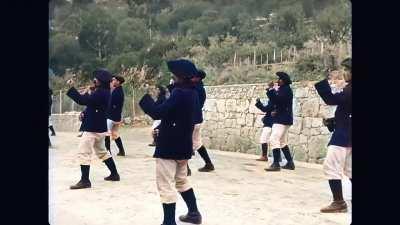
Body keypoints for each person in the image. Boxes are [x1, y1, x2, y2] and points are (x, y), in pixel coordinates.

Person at [139, 59, 203, 225]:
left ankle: (169, 222)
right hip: (184, 144)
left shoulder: (179, 93)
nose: (172, 77)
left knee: (165, 184)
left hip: (169, 145)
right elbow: (176, 115)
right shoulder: (193, 93)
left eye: (174, 75)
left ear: (180, 76)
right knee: (182, 181)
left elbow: (158, 112)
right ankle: (194, 213)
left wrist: (146, 100)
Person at [66, 69, 121, 190]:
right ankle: (114, 174)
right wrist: (85, 112)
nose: (93, 80)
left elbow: (82, 101)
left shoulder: (100, 92)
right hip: (99, 127)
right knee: (102, 152)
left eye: (95, 79)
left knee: (83, 152)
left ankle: (85, 180)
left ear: (100, 81)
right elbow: (92, 105)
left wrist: (71, 88)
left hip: (92, 128)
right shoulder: (104, 92)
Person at [315, 58, 352, 213]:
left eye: (346, 70)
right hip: (348, 133)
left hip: (344, 136)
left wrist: (323, 82)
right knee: (350, 169)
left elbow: (331, 99)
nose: (344, 73)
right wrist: (334, 120)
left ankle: (338, 202)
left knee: (330, 166)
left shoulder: (350, 89)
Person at [265, 72, 295, 172]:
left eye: (279, 79)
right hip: (284, 118)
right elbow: (280, 103)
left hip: (282, 119)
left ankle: (276, 163)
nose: (277, 81)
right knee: (282, 141)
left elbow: (277, 100)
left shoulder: (285, 90)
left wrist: (270, 89)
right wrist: (276, 110)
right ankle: (290, 163)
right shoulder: (285, 89)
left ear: (283, 81)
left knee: (274, 139)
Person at [190, 69, 215, 173]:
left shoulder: (195, 89)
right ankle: (209, 164)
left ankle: (185, 169)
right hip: (196, 118)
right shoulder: (199, 88)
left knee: (184, 142)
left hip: (192, 119)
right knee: (196, 143)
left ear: (197, 78)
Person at [105, 75, 126, 156]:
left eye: (114, 80)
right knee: (115, 134)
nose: (112, 81)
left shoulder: (117, 92)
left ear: (118, 82)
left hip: (111, 116)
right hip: (116, 116)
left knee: (107, 133)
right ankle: (121, 151)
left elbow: (111, 104)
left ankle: (108, 152)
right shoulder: (118, 90)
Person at [255, 97, 275, 161]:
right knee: (274, 140)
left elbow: (265, 109)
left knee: (264, 139)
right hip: (271, 123)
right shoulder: (274, 100)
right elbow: (267, 110)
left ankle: (264, 156)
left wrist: (259, 103)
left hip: (269, 123)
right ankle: (266, 156)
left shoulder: (273, 100)